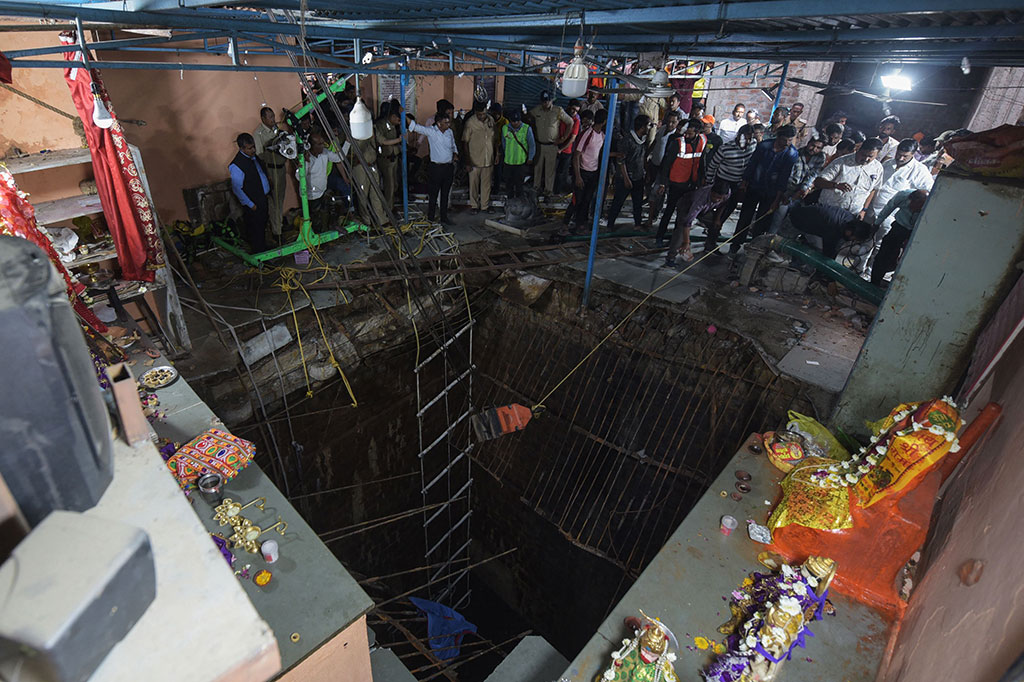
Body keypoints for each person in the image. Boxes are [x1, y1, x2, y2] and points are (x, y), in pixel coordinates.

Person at [733, 124, 798, 249]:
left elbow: (784, 178)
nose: (787, 142)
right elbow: (752, 165)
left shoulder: (791, 154)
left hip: (771, 192)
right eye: (785, 139)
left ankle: (754, 248)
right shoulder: (764, 146)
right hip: (754, 187)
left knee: (762, 221)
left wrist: (777, 199)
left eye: (790, 140)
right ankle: (735, 246)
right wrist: (744, 183)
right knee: (745, 217)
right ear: (778, 137)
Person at [655, 119, 707, 245]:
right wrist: (663, 183)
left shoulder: (703, 141)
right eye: (686, 133)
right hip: (676, 183)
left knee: (684, 213)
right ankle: (659, 237)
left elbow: (702, 162)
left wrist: (702, 180)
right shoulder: (677, 143)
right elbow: (667, 164)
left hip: (692, 184)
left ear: (697, 132)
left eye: (690, 134)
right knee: (669, 210)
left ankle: (676, 238)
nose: (687, 136)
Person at [702, 123, 755, 244]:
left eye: (749, 138)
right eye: (744, 137)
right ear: (738, 136)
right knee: (719, 214)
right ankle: (710, 241)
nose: (746, 140)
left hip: (738, 184)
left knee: (728, 210)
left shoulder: (752, 145)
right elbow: (713, 165)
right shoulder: (725, 148)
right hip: (724, 182)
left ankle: (713, 233)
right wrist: (709, 183)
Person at [663, 179, 732, 266]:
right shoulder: (700, 198)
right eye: (714, 196)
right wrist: (686, 242)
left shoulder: (727, 193)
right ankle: (670, 258)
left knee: (715, 225)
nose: (717, 199)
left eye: (719, 198)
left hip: (706, 209)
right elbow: (688, 222)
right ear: (711, 192)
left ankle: (710, 246)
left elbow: (723, 204)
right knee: (681, 231)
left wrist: (717, 219)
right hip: (686, 205)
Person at [814, 137, 885, 219]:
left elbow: (873, 190)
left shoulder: (878, 168)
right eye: (863, 155)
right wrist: (836, 185)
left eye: (870, 156)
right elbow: (818, 182)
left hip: (853, 214)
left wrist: (864, 210)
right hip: (828, 210)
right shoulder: (841, 162)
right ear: (858, 149)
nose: (866, 159)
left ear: (877, 154)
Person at [562, 109, 608, 234]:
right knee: (577, 200)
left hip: (593, 173)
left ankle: (580, 224)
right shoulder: (588, 134)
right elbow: (576, 155)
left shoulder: (602, 136)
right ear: (604, 122)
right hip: (582, 172)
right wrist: (578, 176)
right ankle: (565, 224)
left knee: (587, 200)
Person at [407, 112, 458, 224]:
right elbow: (416, 127)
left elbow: (453, 145)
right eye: (446, 123)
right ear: (439, 124)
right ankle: (430, 217)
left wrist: (455, 153)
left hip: (448, 167)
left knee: (445, 194)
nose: (448, 125)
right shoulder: (431, 131)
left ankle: (444, 217)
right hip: (436, 168)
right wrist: (405, 117)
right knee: (433, 194)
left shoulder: (449, 132)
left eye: (449, 122)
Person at [867, 138, 934, 223]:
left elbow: (929, 191)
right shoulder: (887, 164)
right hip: (871, 209)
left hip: (891, 215)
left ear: (913, 154)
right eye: (898, 154)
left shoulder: (920, 171)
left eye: (905, 156)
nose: (900, 158)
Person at [768, 136, 826, 234]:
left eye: (818, 148)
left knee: (791, 223)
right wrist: (785, 194)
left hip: (801, 193)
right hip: (786, 190)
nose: (814, 149)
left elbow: (813, 175)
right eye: (812, 145)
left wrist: (803, 189)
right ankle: (768, 239)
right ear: (808, 143)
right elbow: (788, 176)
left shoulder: (820, 157)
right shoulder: (796, 154)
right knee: (778, 217)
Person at [870, 189, 929, 286]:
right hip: (899, 227)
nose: (916, 210)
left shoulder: (930, 204)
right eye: (915, 207)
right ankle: (874, 282)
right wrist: (876, 224)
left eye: (919, 209)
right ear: (910, 200)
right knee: (884, 256)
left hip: (914, 232)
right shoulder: (903, 196)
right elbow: (888, 208)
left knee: (904, 261)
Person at [606, 114, 651, 233]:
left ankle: (637, 224)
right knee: (618, 202)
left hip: (639, 176)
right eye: (648, 125)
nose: (650, 127)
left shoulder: (643, 140)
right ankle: (610, 225)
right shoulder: (627, 140)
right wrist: (626, 178)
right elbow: (621, 161)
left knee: (638, 203)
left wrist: (646, 172)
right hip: (626, 177)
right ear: (642, 127)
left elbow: (643, 157)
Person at [781, 204, 873, 258]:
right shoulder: (834, 226)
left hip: (810, 222)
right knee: (780, 250)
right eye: (855, 238)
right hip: (795, 221)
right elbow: (828, 253)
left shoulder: (849, 219)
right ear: (851, 232)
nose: (852, 241)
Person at [229, 133, 271, 252]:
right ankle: (259, 254)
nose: (253, 150)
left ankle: (263, 248)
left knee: (262, 225)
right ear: (241, 148)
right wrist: (250, 204)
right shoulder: (237, 165)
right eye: (249, 148)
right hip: (253, 203)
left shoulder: (253, 157)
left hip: (262, 198)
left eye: (254, 147)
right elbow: (237, 189)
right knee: (255, 229)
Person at [252, 107, 288, 243]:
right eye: (270, 117)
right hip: (271, 170)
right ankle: (277, 232)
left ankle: (279, 226)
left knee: (280, 199)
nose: (273, 119)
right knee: (274, 202)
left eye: (273, 116)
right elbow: (259, 158)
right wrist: (268, 176)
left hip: (281, 168)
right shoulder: (259, 134)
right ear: (263, 119)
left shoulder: (277, 130)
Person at [529, 91, 575, 197]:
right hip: (539, 145)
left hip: (552, 146)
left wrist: (563, 138)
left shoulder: (558, 111)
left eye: (547, 101)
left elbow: (570, 122)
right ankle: (536, 188)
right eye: (543, 102)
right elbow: (528, 116)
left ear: (551, 101)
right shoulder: (536, 110)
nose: (545, 104)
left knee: (550, 170)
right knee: (537, 168)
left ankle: (548, 191)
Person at [296, 131, 344, 225]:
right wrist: (305, 163)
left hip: (322, 192)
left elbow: (339, 158)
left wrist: (348, 143)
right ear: (311, 146)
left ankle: (332, 226)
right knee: (315, 221)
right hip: (311, 196)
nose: (323, 146)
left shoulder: (325, 153)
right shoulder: (306, 159)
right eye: (319, 144)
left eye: (322, 143)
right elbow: (298, 177)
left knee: (336, 204)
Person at [645, 111, 683, 226]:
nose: (671, 124)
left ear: (678, 122)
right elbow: (655, 142)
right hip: (654, 163)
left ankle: (655, 213)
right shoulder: (662, 129)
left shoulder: (676, 137)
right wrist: (647, 154)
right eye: (669, 121)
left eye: (674, 122)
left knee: (659, 191)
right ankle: (651, 208)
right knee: (649, 186)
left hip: (664, 168)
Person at [462, 101, 497, 214]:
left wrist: (497, 154)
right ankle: (474, 205)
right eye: (479, 114)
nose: (482, 116)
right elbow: (465, 142)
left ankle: (485, 206)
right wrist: (467, 161)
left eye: (483, 114)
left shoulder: (491, 120)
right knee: (474, 184)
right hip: (474, 159)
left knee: (486, 184)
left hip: (488, 158)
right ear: (476, 113)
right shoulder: (470, 123)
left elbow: (495, 138)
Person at [349, 131, 387, 227]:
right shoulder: (352, 130)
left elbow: (383, 141)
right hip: (360, 167)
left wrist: (400, 139)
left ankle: (381, 219)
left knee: (376, 193)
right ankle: (367, 220)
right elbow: (353, 151)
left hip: (372, 165)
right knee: (363, 194)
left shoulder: (372, 129)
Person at [374, 100, 403, 210]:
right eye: (397, 117)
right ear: (391, 116)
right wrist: (399, 140)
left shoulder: (394, 126)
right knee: (389, 187)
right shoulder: (380, 125)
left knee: (394, 185)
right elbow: (383, 141)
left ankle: (390, 206)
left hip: (394, 158)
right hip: (385, 159)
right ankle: (389, 210)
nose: (398, 120)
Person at [501, 110, 535, 198]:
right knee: (508, 184)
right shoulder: (505, 128)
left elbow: (532, 145)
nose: (515, 123)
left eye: (517, 121)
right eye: (513, 121)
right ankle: (510, 201)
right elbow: (504, 144)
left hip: (521, 162)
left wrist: (530, 158)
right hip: (508, 162)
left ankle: (520, 202)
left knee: (519, 184)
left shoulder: (527, 129)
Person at [556, 98, 582, 193]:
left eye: (577, 111)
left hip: (567, 150)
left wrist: (561, 148)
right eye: (573, 109)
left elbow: (572, 138)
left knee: (562, 173)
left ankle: (558, 192)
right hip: (556, 146)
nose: (574, 112)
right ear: (568, 107)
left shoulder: (576, 121)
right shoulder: (561, 115)